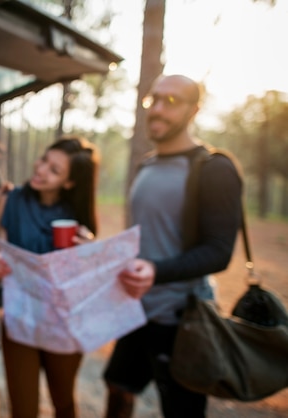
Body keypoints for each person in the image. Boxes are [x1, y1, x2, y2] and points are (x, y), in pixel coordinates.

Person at [102, 74, 243, 418]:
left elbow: (219, 251)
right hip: (136, 312)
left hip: (182, 320)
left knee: (183, 410)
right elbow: (144, 238)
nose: (159, 109)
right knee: (118, 388)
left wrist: (156, 271)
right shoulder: (146, 165)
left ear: (193, 111)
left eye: (173, 101)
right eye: (155, 99)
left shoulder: (214, 168)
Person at [0, 136, 100, 418]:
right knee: (23, 410)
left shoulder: (76, 215)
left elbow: (86, 279)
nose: (40, 170)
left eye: (54, 170)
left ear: (70, 183)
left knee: (63, 404)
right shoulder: (7, 198)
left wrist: (91, 253)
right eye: (43, 161)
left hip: (64, 321)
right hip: (20, 318)